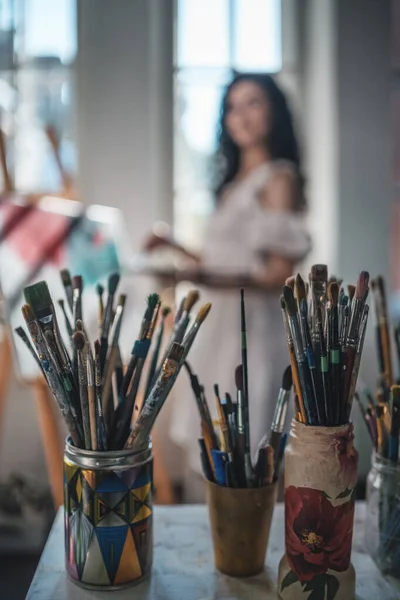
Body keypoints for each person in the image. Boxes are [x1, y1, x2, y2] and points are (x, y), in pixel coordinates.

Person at [146, 73, 312, 502]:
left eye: (253, 103)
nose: (241, 115)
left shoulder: (279, 178)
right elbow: (224, 262)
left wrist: (192, 277)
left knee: (251, 447)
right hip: (220, 327)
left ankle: (250, 551)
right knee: (216, 443)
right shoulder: (236, 182)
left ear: (274, 111)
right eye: (233, 106)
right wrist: (176, 247)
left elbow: (276, 273)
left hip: (252, 331)